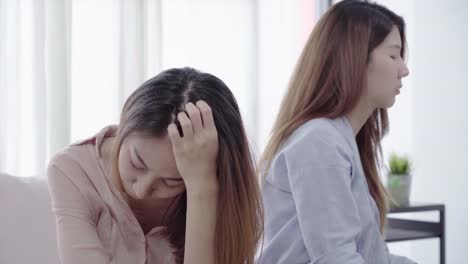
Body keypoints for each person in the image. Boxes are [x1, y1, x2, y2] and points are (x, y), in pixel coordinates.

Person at [47, 67, 263, 264]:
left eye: (171, 181)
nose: (141, 190)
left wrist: (202, 188)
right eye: (136, 163)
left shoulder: (216, 189)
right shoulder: (72, 170)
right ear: (125, 125)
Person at [257, 1, 416, 263]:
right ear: (354, 58)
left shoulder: (338, 140)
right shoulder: (319, 142)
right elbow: (337, 258)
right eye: (393, 55)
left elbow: (373, 257)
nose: (404, 69)